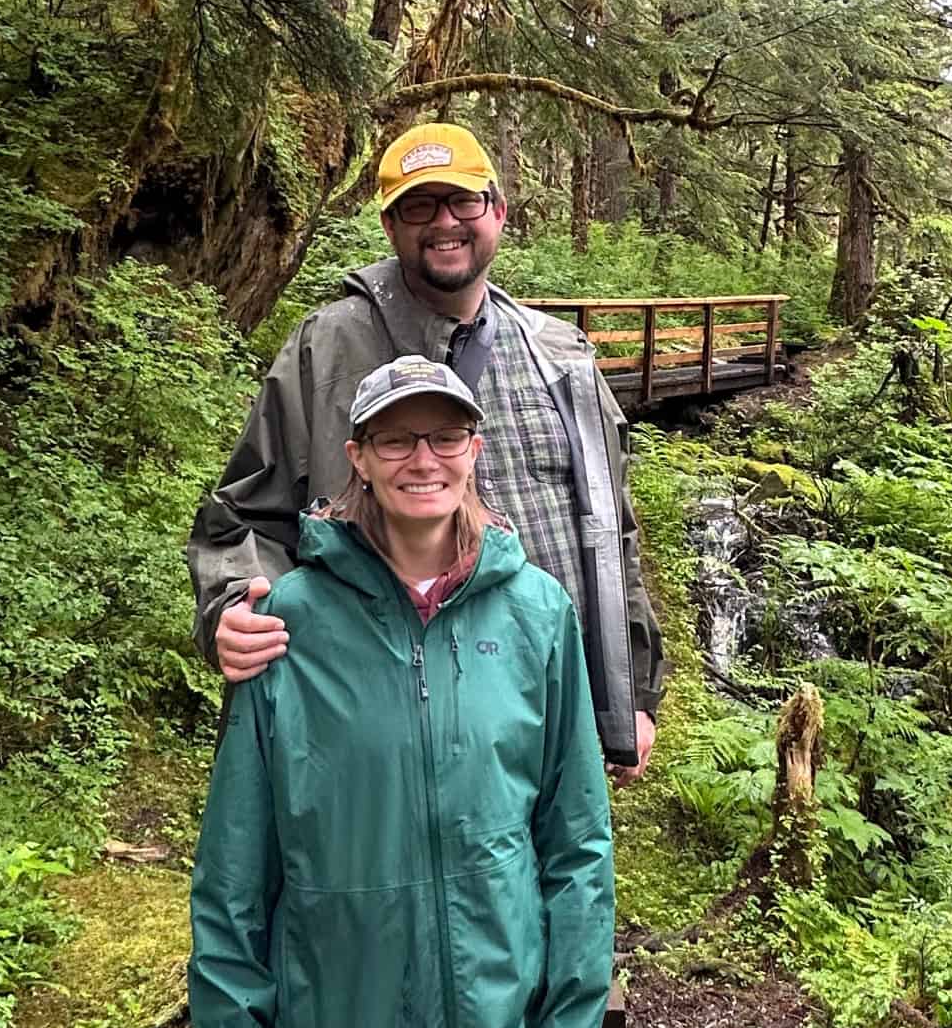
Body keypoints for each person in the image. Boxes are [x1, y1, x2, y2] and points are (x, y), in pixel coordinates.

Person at [187, 120, 667, 775]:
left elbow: (613, 538)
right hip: (376, 734)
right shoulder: (325, 351)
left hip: (546, 718)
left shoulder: (562, 357)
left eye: (463, 201)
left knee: (549, 872)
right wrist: (233, 605)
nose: (444, 222)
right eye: (419, 206)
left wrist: (629, 694)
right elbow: (245, 514)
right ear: (390, 226)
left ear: (498, 212)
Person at [189, 356, 615, 1028]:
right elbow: (233, 871)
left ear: (474, 451)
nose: (424, 460)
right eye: (396, 439)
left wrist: (571, 1020)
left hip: (500, 1010)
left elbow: (577, 846)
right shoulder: (287, 623)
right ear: (358, 457)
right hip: (337, 1007)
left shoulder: (539, 614)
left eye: (445, 436)